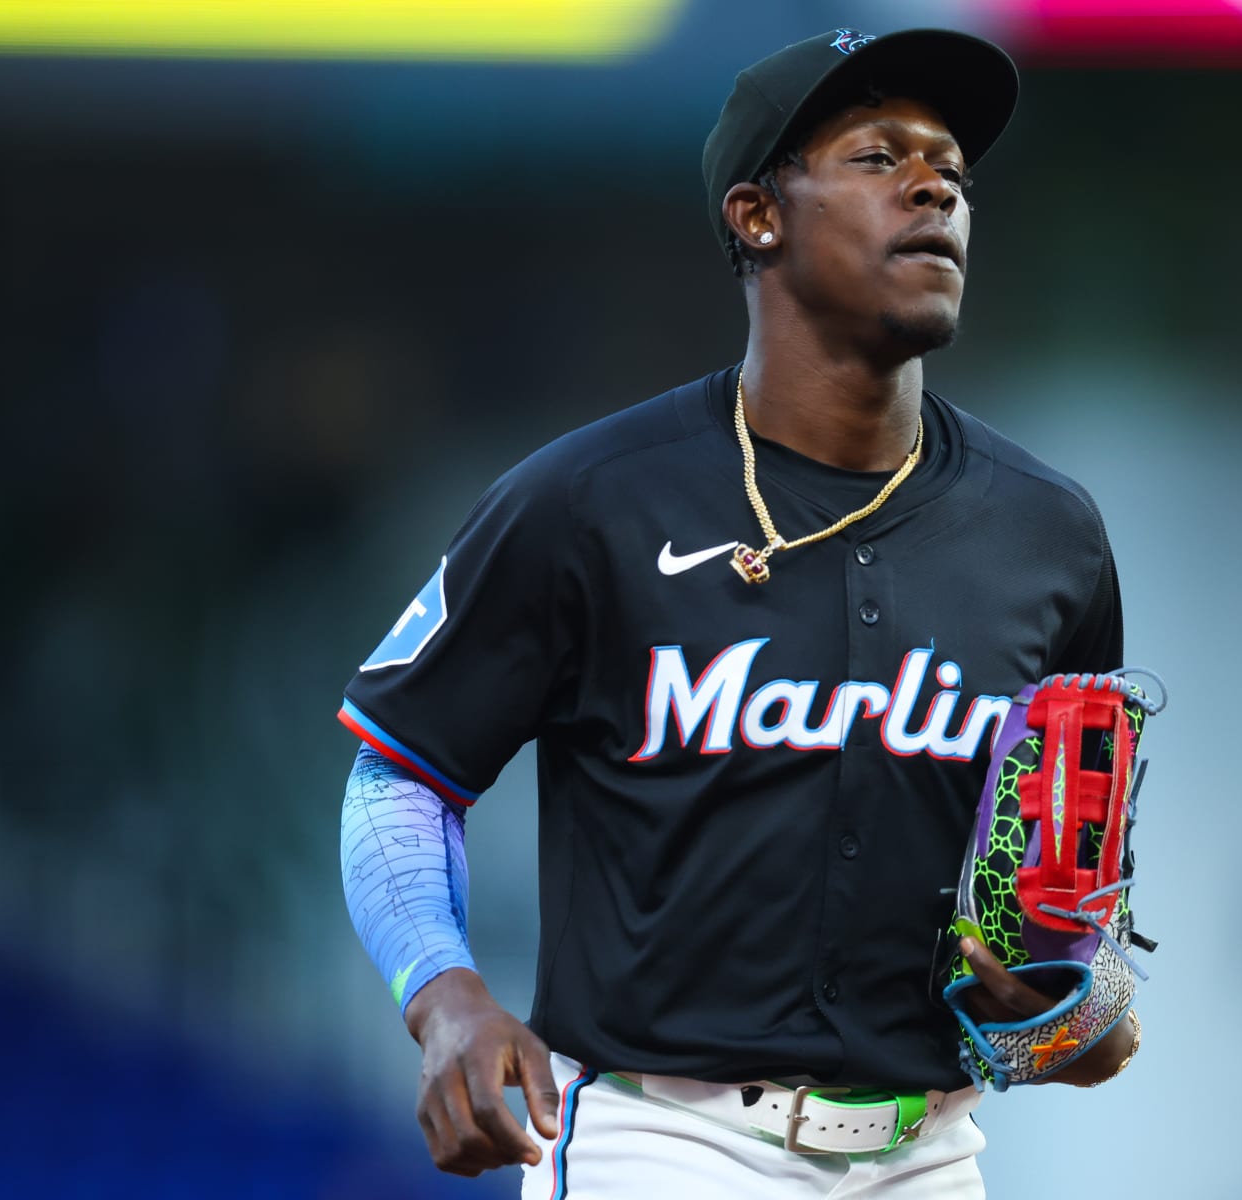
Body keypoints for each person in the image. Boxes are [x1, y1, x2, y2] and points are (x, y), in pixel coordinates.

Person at [337, 27, 1139, 1199]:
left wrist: (1078, 1010)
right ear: (758, 216)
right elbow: (401, 773)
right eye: (878, 158)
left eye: (953, 171)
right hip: (664, 1142)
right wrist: (441, 994)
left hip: (930, 1154)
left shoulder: (1049, 538)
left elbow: (1082, 912)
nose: (934, 185)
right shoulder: (587, 502)